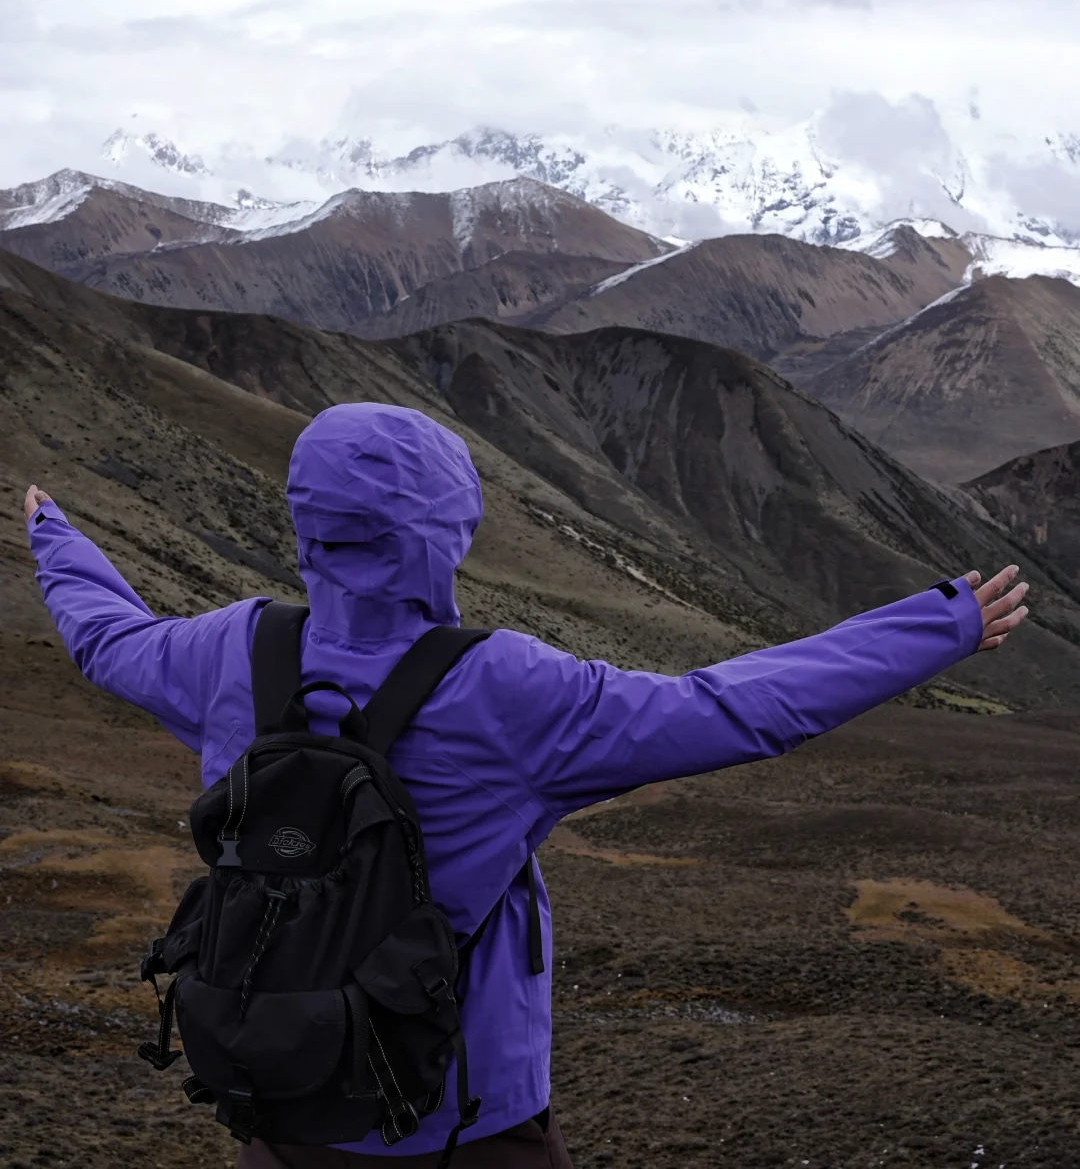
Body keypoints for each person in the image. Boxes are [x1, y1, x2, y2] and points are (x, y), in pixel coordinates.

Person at [23, 402, 1029, 1169]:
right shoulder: (505, 689)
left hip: (279, 1100)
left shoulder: (226, 651)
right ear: (442, 531)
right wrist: (936, 628)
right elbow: (732, 708)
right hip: (464, 1119)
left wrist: (55, 537)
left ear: (307, 521)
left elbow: (108, 640)